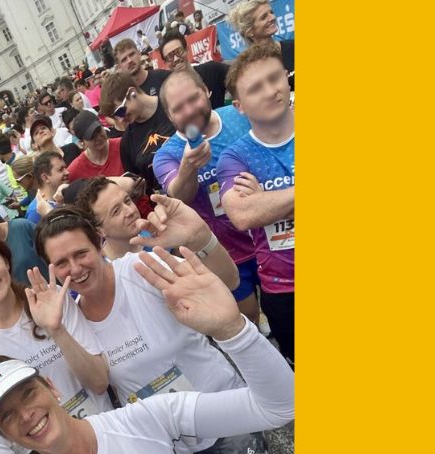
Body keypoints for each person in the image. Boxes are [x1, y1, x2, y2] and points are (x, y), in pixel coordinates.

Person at [33, 205, 293, 454]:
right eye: (61, 263)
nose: (75, 269)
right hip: (171, 439)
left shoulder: (142, 269)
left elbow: (228, 282)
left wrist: (202, 240)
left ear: (99, 243)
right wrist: (57, 330)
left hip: (222, 411)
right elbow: (98, 381)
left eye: (81, 253)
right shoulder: (70, 313)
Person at [0, 228, 113, 419]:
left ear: (6, 262)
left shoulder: (50, 299)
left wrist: (56, 330)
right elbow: (0, 423)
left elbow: (100, 382)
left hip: (102, 427)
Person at [153, 68, 262, 323]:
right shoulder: (167, 155)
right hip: (224, 254)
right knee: (247, 319)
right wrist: (188, 167)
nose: (189, 110)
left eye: (193, 99)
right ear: (169, 115)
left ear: (206, 91)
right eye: (179, 108)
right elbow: (179, 197)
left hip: (269, 239)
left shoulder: (239, 116)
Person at [217, 43, 295, 362]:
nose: (271, 90)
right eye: (255, 88)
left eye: (274, 78)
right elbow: (242, 214)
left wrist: (267, 200)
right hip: (285, 291)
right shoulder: (235, 157)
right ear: (239, 106)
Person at [100, 71, 176, 191]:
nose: (120, 120)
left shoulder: (173, 104)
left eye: (120, 112)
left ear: (132, 93)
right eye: (115, 117)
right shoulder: (127, 142)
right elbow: (140, 186)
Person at [227, 0, 294, 92]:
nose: (272, 17)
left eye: (271, 12)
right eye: (264, 17)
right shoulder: (247, 68)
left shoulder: (293, 47)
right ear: (250, 31)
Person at [158, 26, 230, 109]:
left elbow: (238, 76)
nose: (176, 58)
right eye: (169, 57)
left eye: (179, 51)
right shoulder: (170, 94)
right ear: (165, 62)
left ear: (186, 49)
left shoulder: (212, 70)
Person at [66, 110, 125, 182]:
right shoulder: (76, 169)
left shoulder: (123, 144)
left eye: (99, 130)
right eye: (91, 136)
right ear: (82, 143)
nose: (98, 137)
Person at [25, 152, 69, 223]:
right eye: (61, 169)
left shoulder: (67, 194)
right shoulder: (35, 212)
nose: (67, 172)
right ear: (45, 177)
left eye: (65, 168)